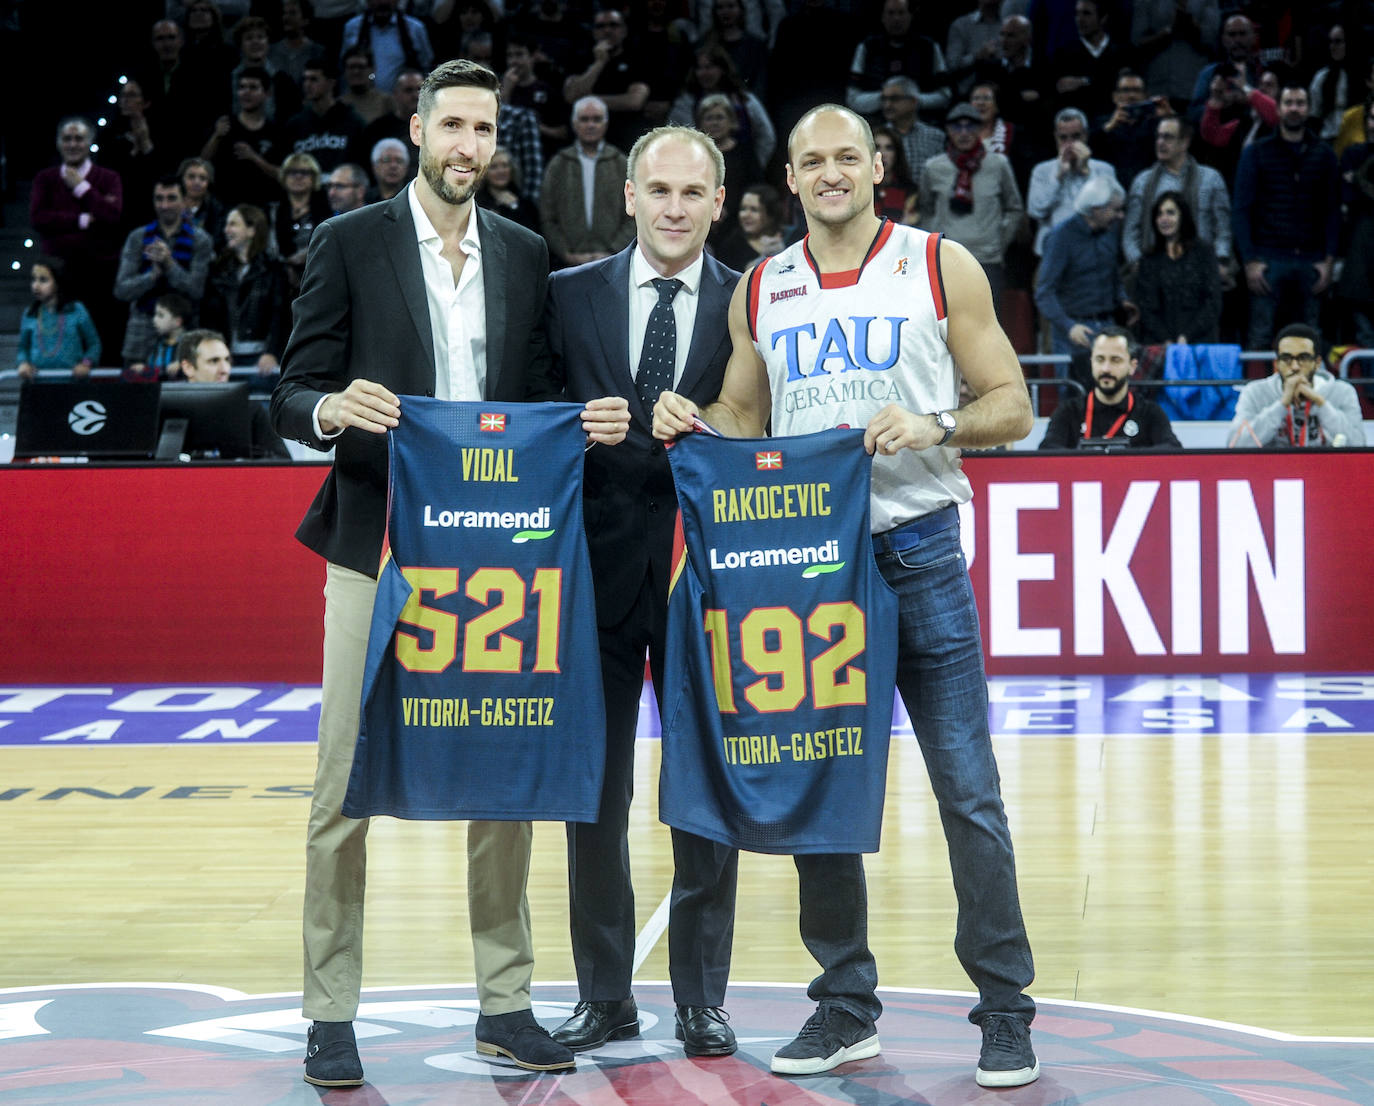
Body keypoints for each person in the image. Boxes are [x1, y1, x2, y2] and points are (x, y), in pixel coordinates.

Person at [652, 102, 1038, 1089]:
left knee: (969, 792)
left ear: (877, 166)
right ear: (789, 177)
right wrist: (693, 417)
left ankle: (1005, 1009)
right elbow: (744, 413)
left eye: (847, 157)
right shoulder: (763, 286)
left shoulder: (939, 264)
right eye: (812, 160)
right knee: (820, 789)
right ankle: (845, 1004)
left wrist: (935, 423)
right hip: (808, 567)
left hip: (919, 551)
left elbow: (1014, 405)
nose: (830, 173)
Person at [269, 58, 630, 1086]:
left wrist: (587, 421)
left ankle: (505, 1001)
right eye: (454, 125)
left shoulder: (523, 251)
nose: (469, 145)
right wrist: (332, 408)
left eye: (485, 129)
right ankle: (329, 1010)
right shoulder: (348, 241)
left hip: (495, 551)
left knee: (502, 771)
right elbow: (291, 389)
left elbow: (543, 395)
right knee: (342, 780)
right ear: (419, 129)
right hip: (378, 542)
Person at [543, 123, 742, 1062]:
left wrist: (714, 428)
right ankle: (604, 995)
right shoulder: (567, 295)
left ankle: (702, 997)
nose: (673, 208)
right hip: (595, 577)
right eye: (658, 190)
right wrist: (570, 423)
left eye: (692, 193)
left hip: (708, 581)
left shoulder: (752, 303)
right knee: (593, 795)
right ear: (628, 196)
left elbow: (768, 428)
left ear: (719, 203)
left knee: (702, 792)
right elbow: (530, 414)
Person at [1232, 85, 1341, 350]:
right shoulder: (1256, 152)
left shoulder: (1324, 154)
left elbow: (1332, 211)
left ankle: (1313, 381)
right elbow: (1241, 210)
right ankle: (1256, 381)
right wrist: (1250, 261)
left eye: (1300, 103)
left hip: (1311, 259)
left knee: (1312, 338)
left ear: (1309, 108)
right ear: (1278, 109)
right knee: (1260, 336)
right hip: (1268, 259)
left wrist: (1328, 261)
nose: (1294, 108)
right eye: (1289, 102)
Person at [29, 117, 125, 357]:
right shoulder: (45, 179)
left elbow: (111, 216)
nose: (73, 144)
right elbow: (39, 218)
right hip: (59, 271)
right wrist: (82, 219)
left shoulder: (108, 178)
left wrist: (83, 188)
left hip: (100, 272)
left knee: (102, 336)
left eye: (79, 138)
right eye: (67, 139)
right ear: (58, 143)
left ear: (90, 142)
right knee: (61, 339)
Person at [918, 102, 1023, 309]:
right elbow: (926, 208)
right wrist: (936, 243)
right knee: (946, 322)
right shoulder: (933, 167)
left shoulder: (998, 164)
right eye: (957, 127)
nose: (964, 133)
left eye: (970, 126)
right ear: (948, 130)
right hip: (947, 259)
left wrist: (998, 243)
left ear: (981, 129)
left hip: (988, 259)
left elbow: (1014, 208)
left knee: (988, 322)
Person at [113, 176, 215, 367]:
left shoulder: (200, 240)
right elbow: (121, 290)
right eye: (159, 198)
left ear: (184, 200)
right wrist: (151, 276)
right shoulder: (138, 237)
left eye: (171, 198)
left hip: (183, 333)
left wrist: (169, 265)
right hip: (141, 335)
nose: (164, 205)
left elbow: (196, 290)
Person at [1035, 174, 1136, 360]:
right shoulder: (1060, 237)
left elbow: (1113, 274)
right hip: (1074, 333)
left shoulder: (1110, 232)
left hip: (1108, 327)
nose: (1120, 216)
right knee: (1074, 380)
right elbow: (1044, 293)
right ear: (1096, 209)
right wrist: (1069, 326)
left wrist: (1122, 298)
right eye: (1116, 210)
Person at [1038, 325, 1182, 448]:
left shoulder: (1150, 413)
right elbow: (1047, 452)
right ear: (1091, 362)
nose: (1106, 368)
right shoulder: (1069, 411)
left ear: (1132, 366)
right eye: (1100, 359)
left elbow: (1173, 451)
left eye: (1115, 360)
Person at [1227, 322, 1365, 448]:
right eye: (1286, 358)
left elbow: (1358, 445)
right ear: (1276, 364)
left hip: (1324, 466)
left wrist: (1320, 403)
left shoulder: (1342, 391)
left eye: (1303, 358)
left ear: (1317, 363)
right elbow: (1235, 445)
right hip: (1273, 466)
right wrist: (1281, 405)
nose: (1295, 366)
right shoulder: (1255, 392)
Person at [1122, 116, 1231, 270]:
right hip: (1156, 269)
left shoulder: (1210, 179)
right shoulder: (1143, 182)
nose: (1160, 142)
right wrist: (1139, 265)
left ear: (1185, 142)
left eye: (1167, 137)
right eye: (1158, 136)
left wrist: (1220, 262)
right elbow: (1130, 233)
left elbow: (1223, 229)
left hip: (1202, 268)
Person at [539, 97, 635, 268]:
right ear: (574, 124)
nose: (591, 125)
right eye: (584, 119)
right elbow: (547, 216)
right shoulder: (559, 164)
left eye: (597, 119)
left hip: (614, 262)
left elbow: (634, 214)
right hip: (568, 263)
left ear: (606, 124)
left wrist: (612, 252)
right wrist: (565, 253)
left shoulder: (621, 163)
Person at [173, 328, 291, 459]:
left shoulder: (252, 411)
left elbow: (282, 460)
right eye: (214, 361)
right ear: (188, 367)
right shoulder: (171, 412)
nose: (225, 369)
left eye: (227, 360)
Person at [202, 204, 289, 377]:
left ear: (251, 230)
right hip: (228, 357)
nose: (226, 230)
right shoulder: (218, 270)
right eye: (226, 225)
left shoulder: (273, 269)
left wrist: (272, 352)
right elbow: (210, 317)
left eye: (233, 224)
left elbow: (280, 315)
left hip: (263, 359)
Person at [1133, 191, 1222, 345]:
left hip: (1199, 342)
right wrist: (1166, 340)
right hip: (1160, 344)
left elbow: (1213, 303)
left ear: (1183, 216)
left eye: (1170, 213)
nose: (1164, 219)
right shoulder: (1149, 258)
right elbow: (1145, 308)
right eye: (1159, 214)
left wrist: (1186, 337)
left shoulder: (1203, 253)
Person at [1025, 106, 1116, 255]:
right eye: (1063, 138)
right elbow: (1036, 211)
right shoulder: (1041, 171)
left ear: (1085, 136)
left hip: (1091, 250)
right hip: (1051, 250)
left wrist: (1087, 173)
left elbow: (1108, 213)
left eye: (1075, 137)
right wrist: (1058, 177)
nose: (1069, 144)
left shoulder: (1104, 170)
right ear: (1055, 137)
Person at [560, 7, 650, 153]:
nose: (607, 31)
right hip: (585, 144)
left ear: (624, 31)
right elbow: (571, 96)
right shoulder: (579, 59)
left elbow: (635, 101)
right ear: (594, 32)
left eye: (613, 25)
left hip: (625, 140)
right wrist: (599, 63)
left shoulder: (637, 60)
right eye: (601, 26)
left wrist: (589, 99)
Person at [201, 67, 287, 211]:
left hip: (262, 207)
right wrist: (216, 136)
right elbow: (202, 163)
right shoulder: (224, 125)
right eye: (242, 87)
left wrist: (254, 157)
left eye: (253, 87)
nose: (246, 92)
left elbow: (283, 174)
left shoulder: (276, 131)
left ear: (267, 93)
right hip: (226, 207)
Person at [846, 0, 949, 120]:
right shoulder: (867, 47)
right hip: (876, 120)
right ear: (883, 17)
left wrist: (911, 99)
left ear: (911, 16)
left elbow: (945, 96)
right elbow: (852, 99)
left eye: (901, 13)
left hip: (920, 120)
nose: (896, 19)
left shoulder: (929, 47)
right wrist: (887, 97)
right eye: (891, 13)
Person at [15, 257, 101, 380]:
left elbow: (94, 344)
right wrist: (23, 363)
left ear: (57, 282)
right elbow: (23, 347)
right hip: (38, 383)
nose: (35, 286)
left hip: (72, 383)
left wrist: (86, 363)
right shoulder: (30, 313)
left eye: (43, 280)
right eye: (34, 279)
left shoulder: (76, 310)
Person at [284, 60, 368, 174]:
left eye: (314, 79)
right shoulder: (295, 125)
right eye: (305, 79)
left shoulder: (353, 122)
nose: (307, 85)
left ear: (331, 83)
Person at [339, 0, 434, 96]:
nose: (382, 3)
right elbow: (344, 70)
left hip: (403, 101)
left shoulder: (415, 29)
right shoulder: (353, 28)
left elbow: (426, 68)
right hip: (361, 99)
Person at [273, 153, 333, 286]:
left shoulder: (328, 207)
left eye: (305, 172)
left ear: (314, 177)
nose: (298, 176)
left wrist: (306, 255)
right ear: (284, 176)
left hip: (321, 271)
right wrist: (288, 264)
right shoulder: (274, 211)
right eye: (292, 172)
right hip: (281, 276)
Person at [875, 77, 946, 180]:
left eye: (894, 99)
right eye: (884, 99)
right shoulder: (877, 137)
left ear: (913, 101)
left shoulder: (935, 137)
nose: (887, 105)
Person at [712, 182, 786, 269]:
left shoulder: (788, 239)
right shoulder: (730, 247)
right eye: (743, 209)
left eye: (754, 210)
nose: (746, 215)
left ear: (770, 215)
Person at [125, 292, 191, 382]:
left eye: (160, 315)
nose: (154, 320)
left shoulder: (189, 343)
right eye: (155, 315)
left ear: (177, 321)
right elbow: (155, 369)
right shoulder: (157, 344)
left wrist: (182, 365)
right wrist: (144, 368)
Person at [475, 146, 540, 232]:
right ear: (484, 173)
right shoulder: (476, 204)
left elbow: (532, 232)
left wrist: (514, 207)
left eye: (505, 165)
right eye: (493, 167)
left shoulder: (525, 204)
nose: (501, 171)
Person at [871, 126, 921, 224]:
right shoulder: (861, 187)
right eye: (877, 147)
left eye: (889, 148)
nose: (883, 154)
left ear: (897, 153)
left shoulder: (910, 190)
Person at [339, 47, 394, 125]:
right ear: (345, 71)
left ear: (372, 70)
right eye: (351, 67)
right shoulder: (339, 104)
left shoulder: (386, 102)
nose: (356, 71)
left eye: (361, 67)